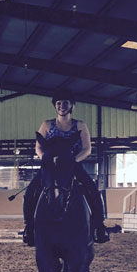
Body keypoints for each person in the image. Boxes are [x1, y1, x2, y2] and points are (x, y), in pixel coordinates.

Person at [22, 89, 111, 246]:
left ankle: (99, 226)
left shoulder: (80, 125)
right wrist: (48, 160)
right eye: (58, 103)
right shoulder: (47, 124)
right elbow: (38, 147)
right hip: (50, 165)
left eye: (65, 103)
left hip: (72, 164)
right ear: (55, 106)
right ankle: (29, 227)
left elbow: (87, 149)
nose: (62, 106)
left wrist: (72, 161)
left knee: (92, 190)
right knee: (30, 191)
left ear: (71, 105)